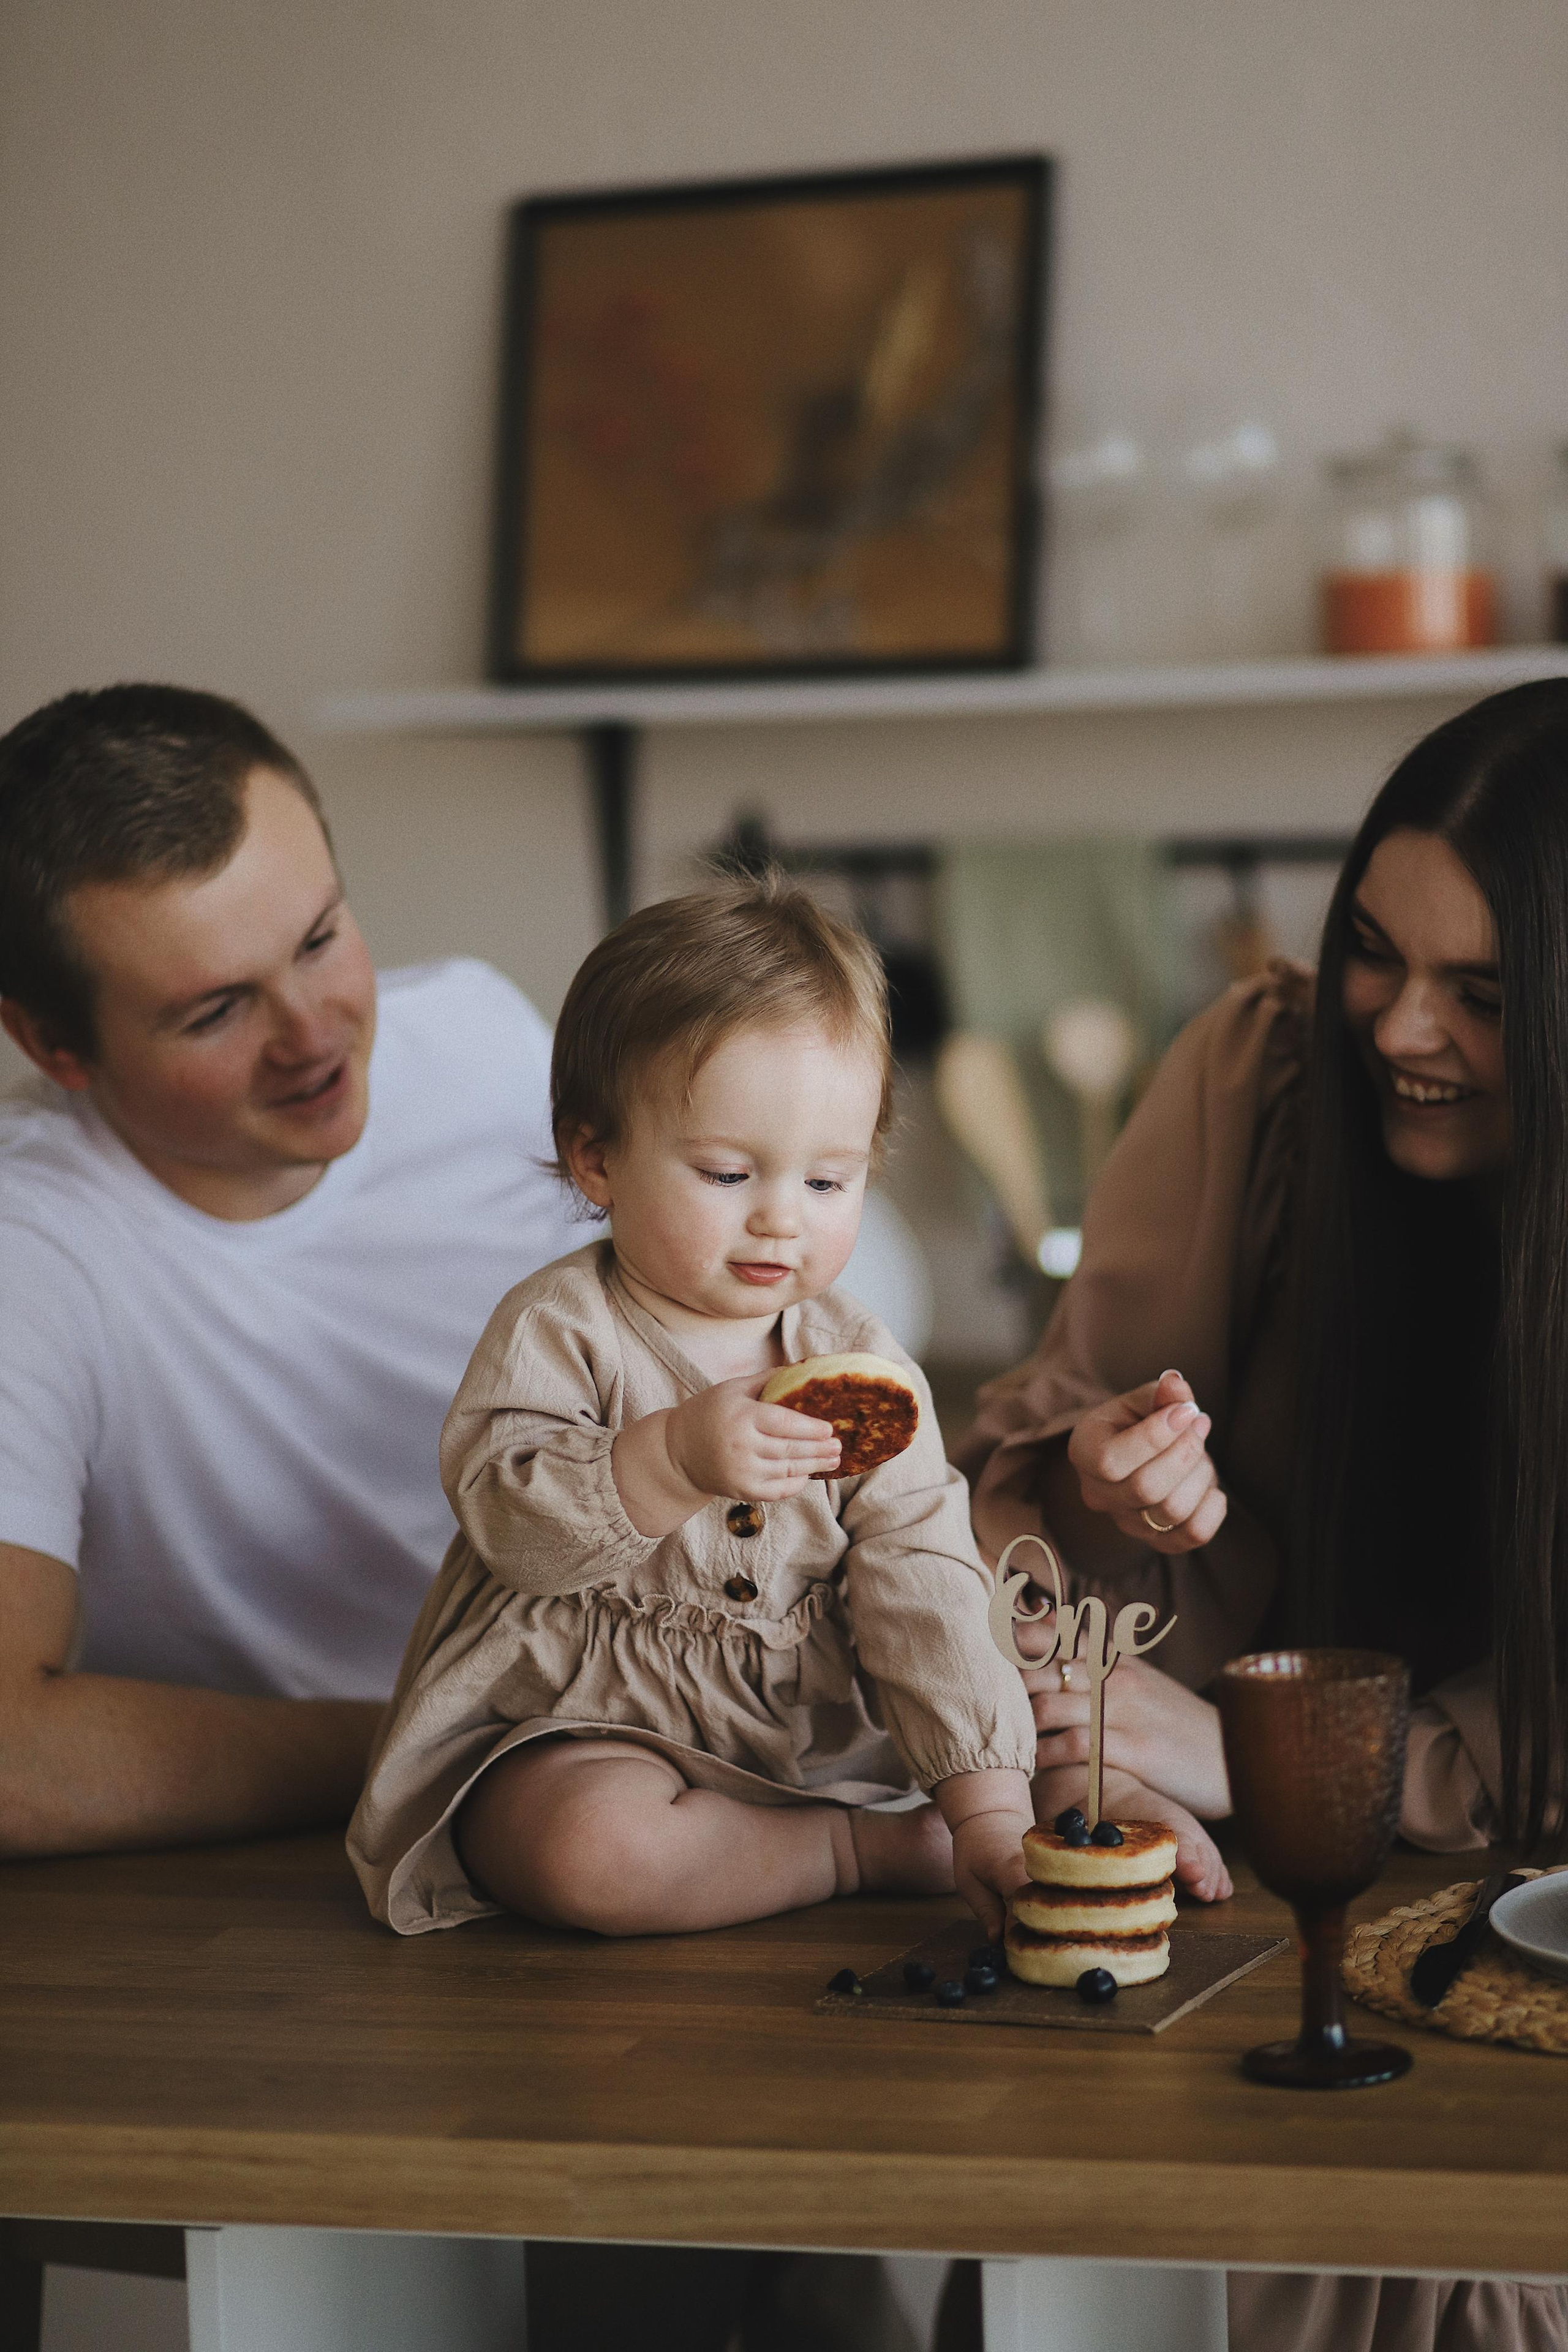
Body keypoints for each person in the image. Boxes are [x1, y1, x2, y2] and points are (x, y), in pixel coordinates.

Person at [954, 679, 1568, 2352]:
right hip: (1221, 1942)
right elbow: (1010, 1525)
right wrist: (1097, 1489)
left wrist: (1284, 1760)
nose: (1397, 1029)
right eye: (1376, 948)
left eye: (1485, 992)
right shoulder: (1259, 1082)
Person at [349, 875, 1038, 1942]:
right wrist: (670, 1457)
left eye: (827, 1182)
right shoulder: (562, 1328)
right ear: (597, 1158)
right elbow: (510, 1521)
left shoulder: (859, 1364)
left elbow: (923, 1572)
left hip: (797, 1736)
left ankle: (922, 1828)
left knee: (1031, 1742)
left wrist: (988, 1805)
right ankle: (848, 1850)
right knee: (595, 1851)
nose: (779, 1221)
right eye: (726, 1173)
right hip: (576, 1723)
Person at [0, 682, 579, 1855]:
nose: (314, 1035)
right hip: (336, 1876)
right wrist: (456, 1743)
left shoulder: (480, 1032)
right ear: (53, 1044)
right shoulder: (32, 1254)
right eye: (215, 1011)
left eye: (320, 939)